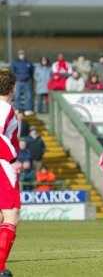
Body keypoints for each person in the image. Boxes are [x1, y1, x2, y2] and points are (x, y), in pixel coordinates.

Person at [0, 68, 20, 277]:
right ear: (12, 87)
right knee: (11, 215)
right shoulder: (4, 108)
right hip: (3, 165)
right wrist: (13, 158)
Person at [11, 50, 34, 115]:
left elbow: (32, 72)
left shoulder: (28, 62)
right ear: (18, 55)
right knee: (17, 96)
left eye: (22, 53)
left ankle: (28, 109)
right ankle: (17, 109)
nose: (22, 55)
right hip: (18, 82)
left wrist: (30, 78)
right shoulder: (15, 62)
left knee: (28, 96)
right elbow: (13, 72)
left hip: (27, 81)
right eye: (20, 54)